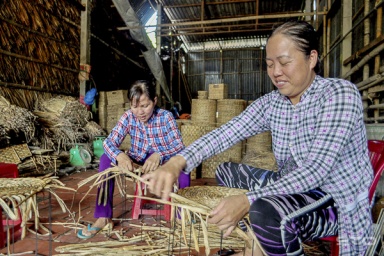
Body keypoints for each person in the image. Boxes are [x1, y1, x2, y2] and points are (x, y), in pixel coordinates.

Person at [143, 20, 373, 255]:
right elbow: (225, 133)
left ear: (311, 59)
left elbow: (315, 170)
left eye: (284, 62)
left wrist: (247, 200)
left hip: (332, 198)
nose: (276, 72)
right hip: (293, 187)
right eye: (270, 64)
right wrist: (177, 162)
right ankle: (256, 242)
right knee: (226, 171)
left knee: (264, 210)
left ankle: (259, 240)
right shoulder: (273, 103)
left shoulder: (339, 94)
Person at [77, 80, 190, 239]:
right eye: (135, 106)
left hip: (163, 161)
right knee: (104, 160)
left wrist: (160, 154)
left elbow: (179, 146)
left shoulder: (166, 117)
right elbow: (108, 142)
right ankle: (104, 217)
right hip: (137, 159)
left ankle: (180, 217)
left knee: (185, 165)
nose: (140, 112)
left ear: (155, 101)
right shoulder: (128, 117)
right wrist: (120, 155)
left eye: (145, 106)